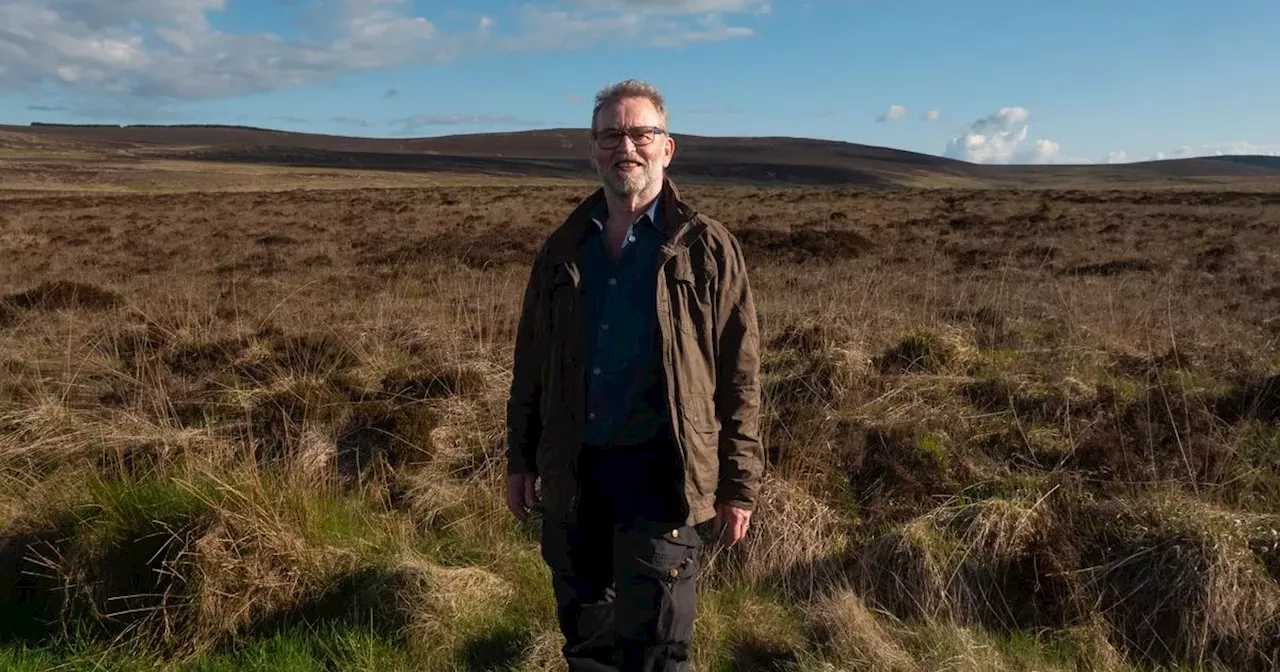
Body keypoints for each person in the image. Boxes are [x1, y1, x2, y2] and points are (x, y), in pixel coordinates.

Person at [504, 78, 765, 671]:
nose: (627, 147)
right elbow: (530, 365)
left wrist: (739, 484)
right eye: (611, 135)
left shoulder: (707, 248)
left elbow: (741, 377)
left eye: (641, 133)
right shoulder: (563, 248)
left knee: (660, 653)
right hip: (576, 476)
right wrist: (520, 460)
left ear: (666, 148)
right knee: (587, 641)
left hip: (665, 480)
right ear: (594, 149)